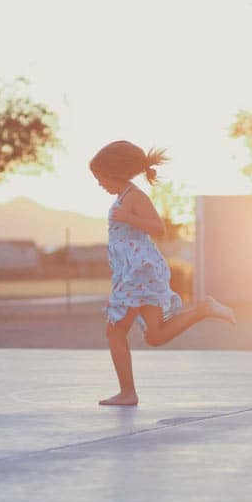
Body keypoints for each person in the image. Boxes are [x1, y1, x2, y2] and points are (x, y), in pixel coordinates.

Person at [90, 140, 235, 406]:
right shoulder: (124, 197)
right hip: (136, 272)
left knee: (115, 331)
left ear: (115, 172)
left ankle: (127, 393)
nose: (99, 184)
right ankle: (204, 309)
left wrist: (128, 218)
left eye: (100, 178)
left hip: (139, 273)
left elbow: (158, 228)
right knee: (155, 336)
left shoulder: (134, 197)